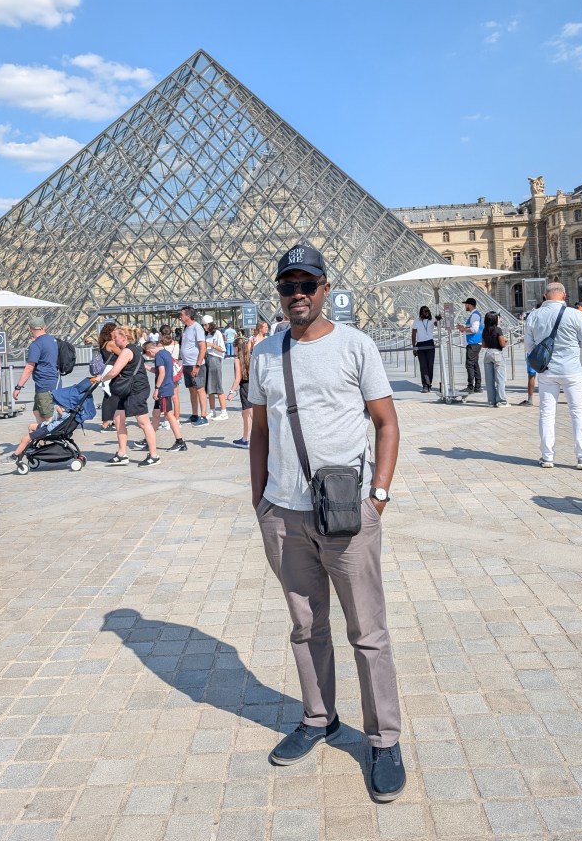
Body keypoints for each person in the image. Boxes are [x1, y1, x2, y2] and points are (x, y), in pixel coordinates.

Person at [249, 245, 404, 802]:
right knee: (305, 625)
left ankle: (383, 739)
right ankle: (319, 717)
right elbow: (259, 431)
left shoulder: (356, 345)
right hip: (284, 514)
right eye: (287, 285)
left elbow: (387, 423)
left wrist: (377, 497)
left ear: (324, 289)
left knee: (368, 631)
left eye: (306, 284)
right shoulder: (265, 353)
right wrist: (260, 502)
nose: (296, 294)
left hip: (348, 513)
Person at [524, 282, 582, 470]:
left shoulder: (534, 315)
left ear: (545, 296)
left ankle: (547, 456)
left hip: (546, 371)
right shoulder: (575, 314)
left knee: (546, 413)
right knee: (578, 412)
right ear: (564, 295)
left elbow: (529, 347)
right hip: (571, 370)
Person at [98, 326, 159, 466]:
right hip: (127, 390)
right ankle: (121, 453)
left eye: (115, 338)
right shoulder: (133, 349)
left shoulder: (127, 351)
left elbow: (114, 372)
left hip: (136, 389)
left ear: (124, 338)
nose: (113, 340)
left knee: (143, 422)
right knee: (118, 419)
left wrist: (100, 379)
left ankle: (154, 455)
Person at [13, 317, 59, 424]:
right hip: (53, 380)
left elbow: (29, 368)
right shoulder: (52, 340)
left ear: (29, 328)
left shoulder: (36, 344)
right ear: (45, 327)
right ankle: (40, 433)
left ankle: (50, 432)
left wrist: (18, 387)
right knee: (36, 411)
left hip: (44, 384)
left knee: (48, 417)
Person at [142, 340, 187, 450]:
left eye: (148, 355)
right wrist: (146, 367)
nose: (150, 357)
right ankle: (149, 440)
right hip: (167, 386)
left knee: (169, 414)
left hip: (163, 389)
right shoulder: (166, 353)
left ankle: (180, 441)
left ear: (150, 350)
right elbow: (158, 371)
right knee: (156, 414)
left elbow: (161, 373)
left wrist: (157, 389)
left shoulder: (158, 356)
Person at [180, 307, 208, 426]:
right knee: (191, 390)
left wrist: (197, 365)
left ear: (188, 316)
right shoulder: (186, 328)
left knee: (200, 389)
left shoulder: (197, 328)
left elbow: (203, 347)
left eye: (182, 315)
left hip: (195, 364)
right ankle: (195, 414)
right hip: (187, 364)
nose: (180, 317)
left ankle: (204, 416)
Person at [227, 333, 252, 447]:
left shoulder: (237, 359)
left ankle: (262, 439)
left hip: (245, 388)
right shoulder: (250, 357)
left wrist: (231, 392)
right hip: (252, 386)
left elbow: (238, 378)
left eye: (234, 347)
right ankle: (245, 438)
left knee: (251, 415)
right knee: (245, 414)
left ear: (237, 347)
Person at [97, 322, 122, 433]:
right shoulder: (111, 344)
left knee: (111, 396)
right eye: (116, 330)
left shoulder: (104, 343)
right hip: (112, 371)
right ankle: (105, 424)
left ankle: (112, 421)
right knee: (110, 397)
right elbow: (123, 354)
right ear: (111, 332)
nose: (118, 331)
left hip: (109, 371)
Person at [456, 297, 483, 393]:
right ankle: (477, 387)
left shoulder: (474, 315)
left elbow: (474, 329)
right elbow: (472, 328)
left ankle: (470, 387)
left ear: (470, 305)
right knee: (474, 364)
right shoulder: (475, 314)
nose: (465, 306)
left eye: (466, 304)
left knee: (470, 364)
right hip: (475, 342)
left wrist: (463, 329)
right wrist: (463, 327)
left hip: (473, 343)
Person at [481, 311, 508, 407]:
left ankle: (491, 401)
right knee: (500, 379)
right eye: (498, 318)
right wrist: (505, 340)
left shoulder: (485, 330)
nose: (499, 319)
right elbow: (502, 344)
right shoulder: (498, 330)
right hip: (497, 353)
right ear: (494, 319)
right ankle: (501, 401)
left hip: (488, 353)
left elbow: (484, 345)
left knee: (489, 380)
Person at [203, 319, 227, 420]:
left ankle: (224, 411)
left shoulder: (217, 333)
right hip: (207, 359)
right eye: (203, 325)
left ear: (210, 324)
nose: (204, 327)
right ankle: (212, 410)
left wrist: (211, 345)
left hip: (215, 359)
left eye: (206, 325)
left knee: (217, 386)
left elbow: (222, 349)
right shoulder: (206, 334)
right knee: (209, 387)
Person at [411, 306, 436, 393]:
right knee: (423, 366)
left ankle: (429, 384)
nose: (427, 312)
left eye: (428, 311)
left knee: (430, 365)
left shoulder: (432, 320)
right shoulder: (416, 321)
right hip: (420, 344)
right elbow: (413, 334)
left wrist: (439, 320)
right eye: (425, 311)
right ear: (421, 312)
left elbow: (438, 325)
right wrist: (414, 347)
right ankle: (425, 385)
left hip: (430, 344)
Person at [520, 303, 541, 406]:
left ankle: (530, 399)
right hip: (546, 350)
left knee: (531, 375)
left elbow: (527, 336)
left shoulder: (532, 317)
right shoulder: (549, 318)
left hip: (533, 350)